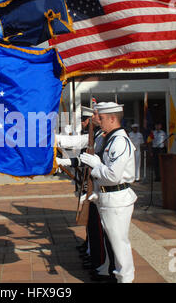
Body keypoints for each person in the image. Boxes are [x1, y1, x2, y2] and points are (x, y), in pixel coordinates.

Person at [56, 105, 116, 283]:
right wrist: (62, 157)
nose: (83, 122)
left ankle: (104, 268)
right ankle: (98, 260)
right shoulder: (97, 135)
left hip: (102, 190)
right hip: (94, 189)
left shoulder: (105, 137)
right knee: (94, 228)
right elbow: (77, 145)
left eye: (92, 117)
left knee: (103, 233)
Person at [79, 102, 137, 283]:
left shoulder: (120, 141)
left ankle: (125, 279)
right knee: (111, 244)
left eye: (102, 118)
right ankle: (113, 274)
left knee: (119, 246)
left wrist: (96, 165)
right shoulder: (110, 138)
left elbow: (113, 175)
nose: (98, 121)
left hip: (117, 199)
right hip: (108, 197)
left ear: (112, 118)